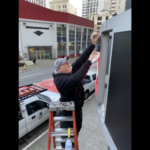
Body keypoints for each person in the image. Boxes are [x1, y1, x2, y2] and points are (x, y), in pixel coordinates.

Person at [52, 32, 99, 148]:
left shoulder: (69, 70)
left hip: (77, 111)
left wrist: (92, 44)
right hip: (67, 116)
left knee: (76, 133)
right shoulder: (60, 80)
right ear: (59, 69)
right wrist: (89, 62)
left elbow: (80, 60)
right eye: (65, 63)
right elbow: (76, 79)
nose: (68, 63)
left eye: (67, 61)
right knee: (68, 138)